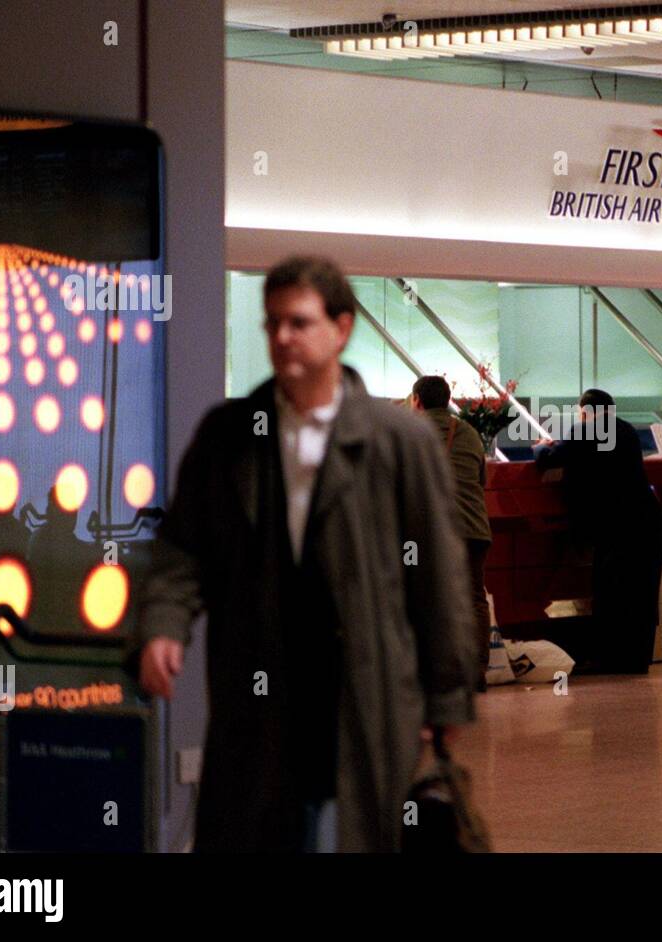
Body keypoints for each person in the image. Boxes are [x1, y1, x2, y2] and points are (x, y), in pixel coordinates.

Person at [133, 256, 478, 852]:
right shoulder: (229, 437)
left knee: (348, 832)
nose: (282, 337)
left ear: (341, 328)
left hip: (364, 697)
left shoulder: (399, 443)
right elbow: (184, 546)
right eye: (272, 324)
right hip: (257, 697)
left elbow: (438, 580)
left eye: (298, 322)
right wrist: (164, 626)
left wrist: (445, 695)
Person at [534, 389, 662, 673]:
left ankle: (612, 658)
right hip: (648, 521)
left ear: (585, 412)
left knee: (612, 592)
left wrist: (541, 445)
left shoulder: (585, 430)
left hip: (617, 528)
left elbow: (549, 458)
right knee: (642, 594)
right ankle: (637, 659)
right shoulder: (627, 430)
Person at [409, 375, 494, 693]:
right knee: (474, 598)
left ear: (416, 400)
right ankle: (475, 672)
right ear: (448, 400)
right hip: (474, 529)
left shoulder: (410, 431)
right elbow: (481, 479)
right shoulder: (470, 432)